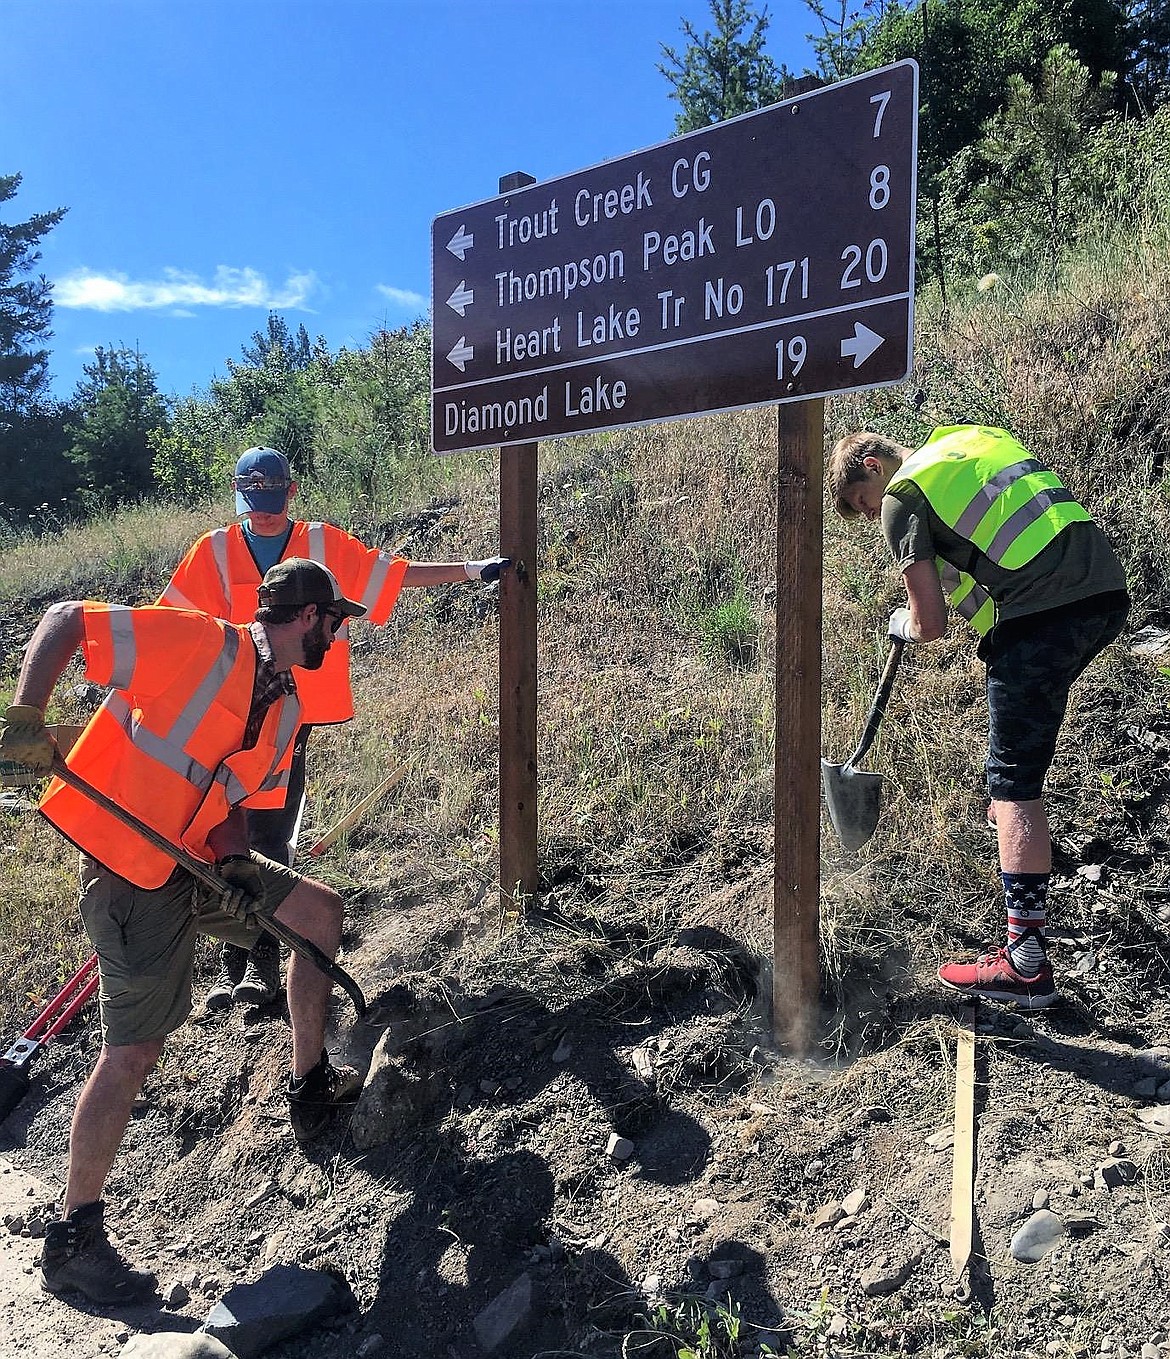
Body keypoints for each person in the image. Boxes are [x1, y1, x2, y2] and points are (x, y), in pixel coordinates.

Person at [0, 558, 371, 1306]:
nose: (337, 634)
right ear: (306, 615)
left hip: (195, 862)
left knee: (318, 912)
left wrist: (234, 859)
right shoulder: (200, 643)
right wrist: (25, 719)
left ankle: (309, 1083)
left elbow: (227, 795)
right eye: (334, 620)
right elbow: (67, 617)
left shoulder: (287, 707)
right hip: (130, 869)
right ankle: (74, 1236)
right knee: (133, 1050)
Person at [159, 446, 510, 1011]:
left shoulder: (322, 543)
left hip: (288, 715)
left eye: (272, 500)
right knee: (218, 830)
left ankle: (262, 965)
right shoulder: (215, 552)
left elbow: (388, 575)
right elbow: (173, 621)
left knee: (267, 829)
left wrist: (471, 570)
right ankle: (236, 959)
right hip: (222, 714)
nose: (264, 512)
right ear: (238, 495)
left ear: (291, 492)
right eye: (253, 501)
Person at [827, 424, 1129, 1009]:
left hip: (1042, 613)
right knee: (1017, 774)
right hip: (1100, 594)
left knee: (1013, 786)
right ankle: (1029, 931)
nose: (872, 518)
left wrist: (906, 622)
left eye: (864, 504)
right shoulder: (971, 441)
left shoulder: (903, 496)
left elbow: (931, 621)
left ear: (871, 464)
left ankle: (1026, 963)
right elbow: (1001, 551)